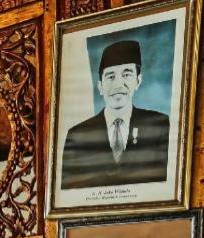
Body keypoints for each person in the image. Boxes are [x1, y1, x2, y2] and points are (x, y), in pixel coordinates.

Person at [61, 39, 170, 189]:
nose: (118, 84)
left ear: (138, 81)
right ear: (100, 86)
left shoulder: (159, 126)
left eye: (126, 74)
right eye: (110, 76)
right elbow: (69, 193)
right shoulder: (77, 135)